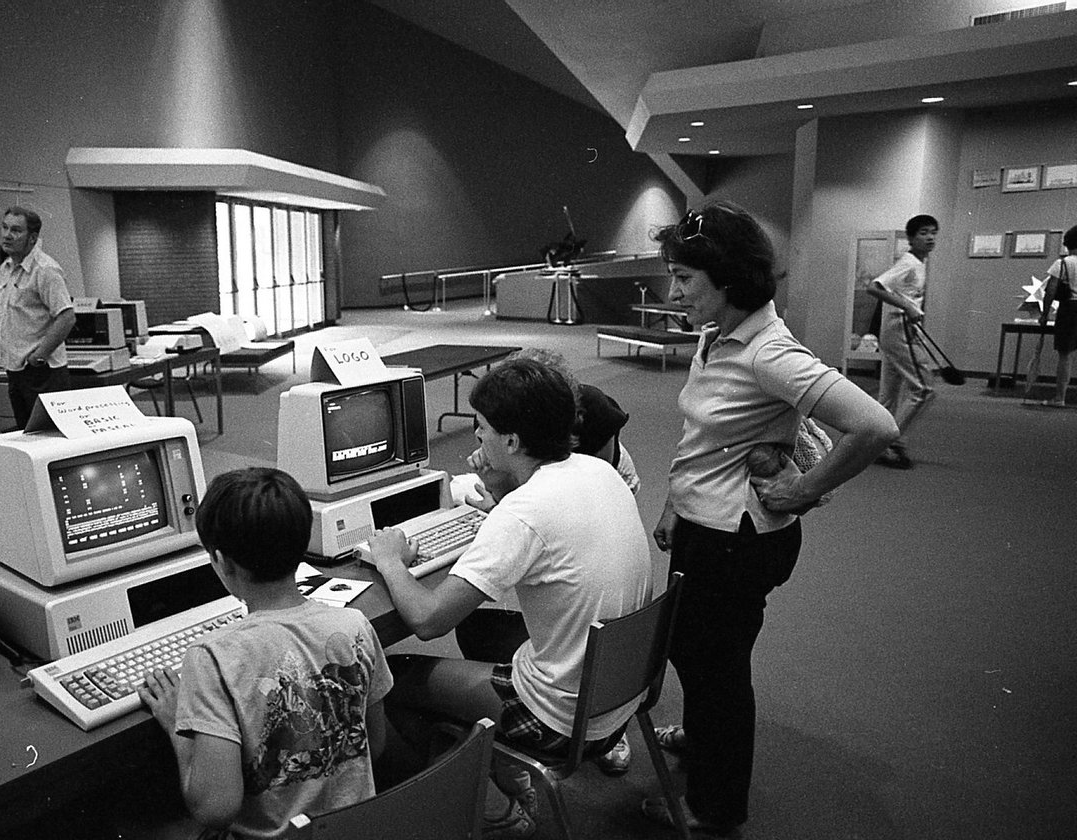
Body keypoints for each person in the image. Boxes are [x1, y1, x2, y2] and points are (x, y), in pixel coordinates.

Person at [646, 202, 898, 837]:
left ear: (727, 280)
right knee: (697, 652)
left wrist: (802, 489)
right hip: (710, 528)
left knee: (718, 671)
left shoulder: (768, 353)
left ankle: (715, 806)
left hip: (737, 541)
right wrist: (677, 503)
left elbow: (874, 425)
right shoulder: (718, 335)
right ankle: (704, 739)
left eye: (684, 279)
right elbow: (703, 433)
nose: (673, 291)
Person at [365, 359, 653, 839]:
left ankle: (497, 809)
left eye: (481, 431)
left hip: (562, 721)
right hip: (623, 691)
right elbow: (549, 533)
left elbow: (428, 620)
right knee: (477, 627)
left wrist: (390, 559)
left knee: (392, 683)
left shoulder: (523, 515)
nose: (476, 441)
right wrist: (504, 496)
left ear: (513, 441)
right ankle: (503, 770)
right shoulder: (598, 471)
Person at [137, 467, 392, 839]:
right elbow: (376, 743)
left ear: (221, 562)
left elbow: (214, 809)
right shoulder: (354, 626)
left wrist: (179, 727)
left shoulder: (212, 657)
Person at [864, 214, 941, 468]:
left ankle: (874, 443)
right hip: (899, 329)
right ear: (910, 238)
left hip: (899, 329)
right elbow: (875, 287)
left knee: (888, 394)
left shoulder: (919, 262)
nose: (929, 238)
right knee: (924, 388)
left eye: (932, 232)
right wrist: (907, 306)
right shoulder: (908, 262)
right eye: (923, 233)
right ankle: (890, 442)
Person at [0, 205, 76, 427]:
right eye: (5, 228)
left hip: (42, 372)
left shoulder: (46, 270)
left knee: (50, 438)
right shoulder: (7, 267)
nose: (7, 235)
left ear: (32, 238)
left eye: (16, 230)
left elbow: (67, 317)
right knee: (27, 436)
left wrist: (38, 356)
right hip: (16, 370)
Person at [1034, 224, 1077, 407]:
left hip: (1069, 310)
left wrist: (1044, 314)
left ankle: (1060, 398)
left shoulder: (1062, 264)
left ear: (1067, 244)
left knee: (1065, 355)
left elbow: (1050, 292)